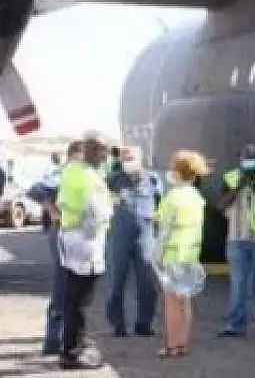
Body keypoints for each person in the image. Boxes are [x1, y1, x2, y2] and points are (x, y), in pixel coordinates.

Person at [55, 134, 112, 370]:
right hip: (86, 241)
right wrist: (108, 214)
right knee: (81, 301)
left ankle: (71, 346)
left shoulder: (71, 171)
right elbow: (96, 212)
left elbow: (63, 203)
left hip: (71, 238)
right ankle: (72, 353)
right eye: (103, 151)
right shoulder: (88, 176)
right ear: (94, 151)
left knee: (73, 298)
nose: (106, 157)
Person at [215, 144, 255, 337]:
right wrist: (239, 187)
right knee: (238, 285)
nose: (249, 160)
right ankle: (236, 324)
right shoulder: (230, 177)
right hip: (236, 238)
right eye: (246, 157)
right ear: (240, 159)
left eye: (252, 157)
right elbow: (221, 205)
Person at [155, 150, 211, 359]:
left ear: (178, 171)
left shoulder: (173, 197)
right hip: (190, 255)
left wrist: (156, 254)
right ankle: (182, 344)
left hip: (173, 255)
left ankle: (171, 345)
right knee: (185, 301)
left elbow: (164, 230)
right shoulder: (196, 197)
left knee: (171, 303)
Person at [26, 141, 80, 356]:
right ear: (73, 155)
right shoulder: (64, 173)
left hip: (78, 234)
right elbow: (35, 190)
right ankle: (53, 340)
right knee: (63, 285)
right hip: (63, 232)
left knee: (76, 288)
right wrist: (51, 209)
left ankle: (67, 339)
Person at [104, 145, 164, 337]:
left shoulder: (152, 179)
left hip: (145, 236)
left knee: (147, 283)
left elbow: (161, 205)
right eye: (124, 159)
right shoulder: (113, 179)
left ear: (140, 159)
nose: (127, 162)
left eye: (131, 158)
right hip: (120, 235)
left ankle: (143, 323)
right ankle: (117, 324)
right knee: (116, 282)